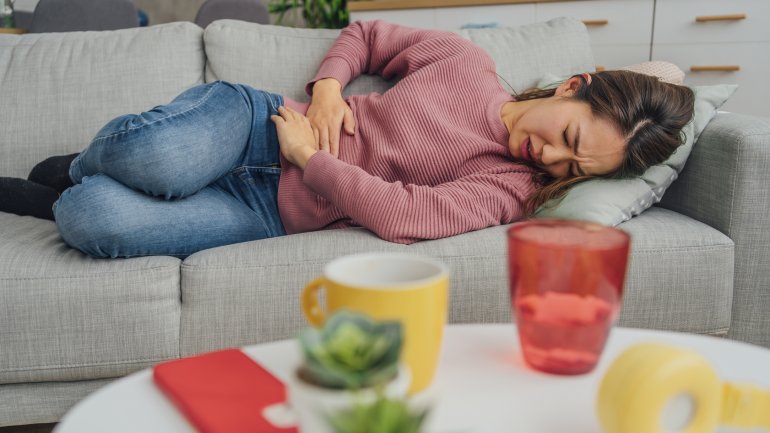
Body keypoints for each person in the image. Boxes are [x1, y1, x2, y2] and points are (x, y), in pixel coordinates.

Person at [0, 20, 694, 258]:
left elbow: (402, 215)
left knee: (91, 219)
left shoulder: (511, 190)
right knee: (152, 156)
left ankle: (73, 189)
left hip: (267, 209)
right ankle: (82, 161)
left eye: (577, 165)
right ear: (572, 85)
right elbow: (366, 36)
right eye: (568, 136)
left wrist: (311, 159)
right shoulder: (466, 63)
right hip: (256, 127)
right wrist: (330, 88)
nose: (553, 159)